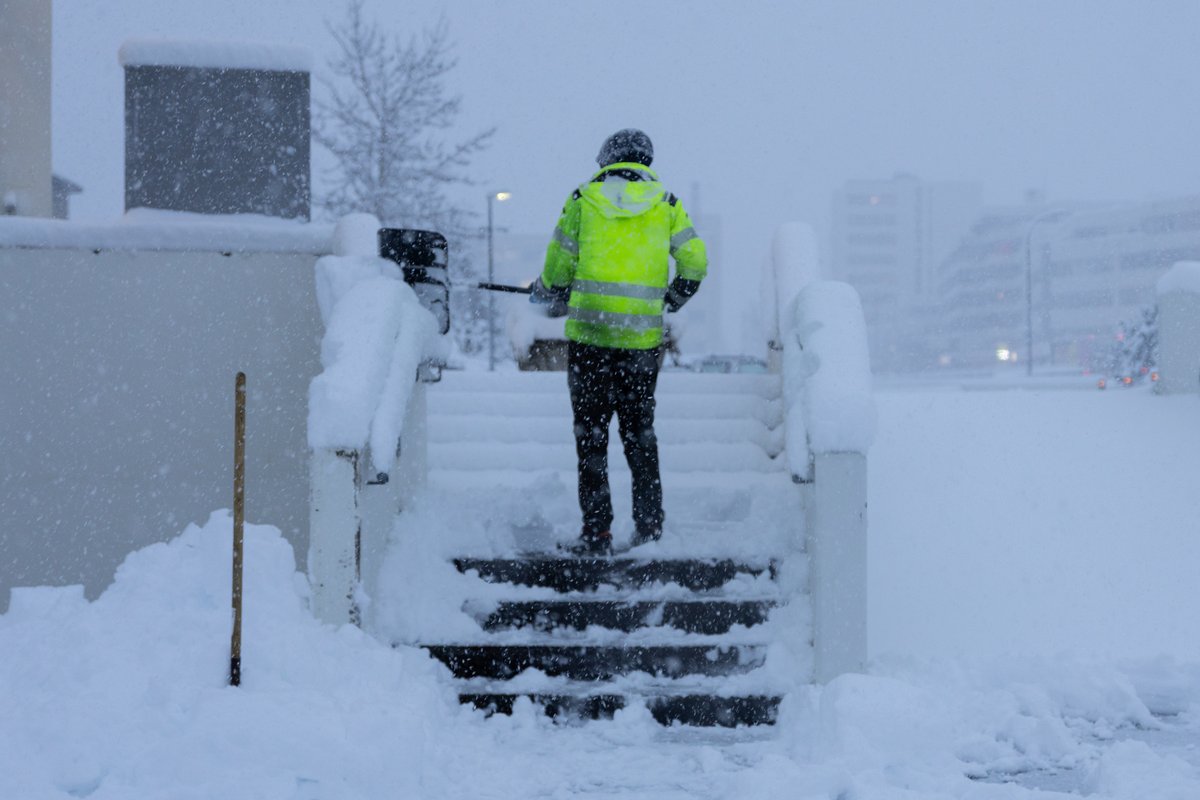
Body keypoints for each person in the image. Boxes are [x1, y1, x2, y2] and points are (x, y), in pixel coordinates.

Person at [531, 129, 708, 555]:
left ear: (606, 159)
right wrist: (674, 297)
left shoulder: (582, 199)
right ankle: (648, 530)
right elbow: (695, 262)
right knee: (639, 434)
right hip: (640, 343)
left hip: (590, 340)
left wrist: (552, 292)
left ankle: (597, 533)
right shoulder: (667, 205)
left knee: (591, 437)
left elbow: (559, 263)